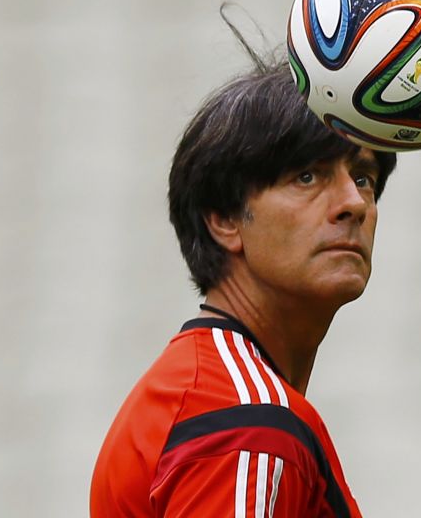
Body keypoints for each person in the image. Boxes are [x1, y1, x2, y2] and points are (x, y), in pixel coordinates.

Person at [90, 53, 397, 517]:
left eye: (363, 177)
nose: (353, 203)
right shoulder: (246, 422)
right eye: (307, 176)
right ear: (224, 219)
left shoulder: (197, 389)